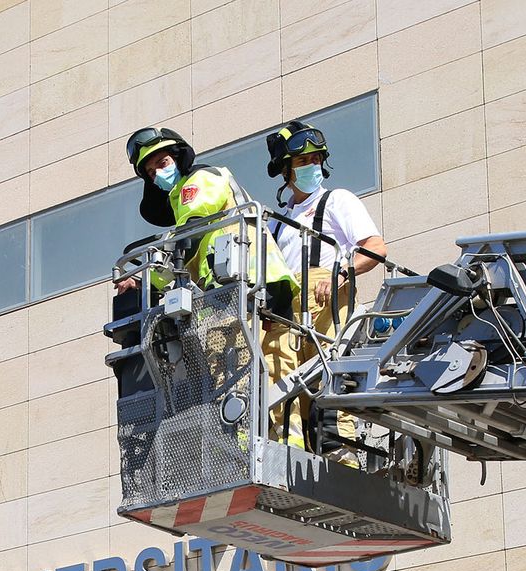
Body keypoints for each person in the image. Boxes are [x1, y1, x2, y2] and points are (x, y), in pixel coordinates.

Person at [115, 127, 306, 445]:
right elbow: (185, 258)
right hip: (266, 283)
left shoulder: (198, 181)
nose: (157, 174)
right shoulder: (189, 197)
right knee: (275, 369)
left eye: (161, 163)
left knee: (230, 369)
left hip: (239, 289)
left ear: (177, 158)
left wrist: (147, 270)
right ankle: (289, 442)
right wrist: (147, 275)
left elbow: (188, 233)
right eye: (150, 172)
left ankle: (244, 446)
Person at [263, 121, 388, 460]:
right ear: (286, 169)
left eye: (316, 159)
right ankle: (290, 447)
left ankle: (338, 449)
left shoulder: (336, 200)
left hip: (327, 299)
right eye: (303, 162)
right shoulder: (276, 222)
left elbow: (375, 247)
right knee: (282, 376)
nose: (312, 167)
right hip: (287, 305)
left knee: (330, 370)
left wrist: (340, 275)